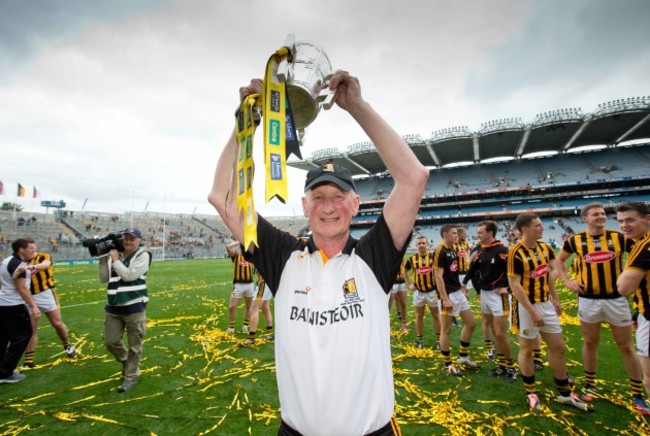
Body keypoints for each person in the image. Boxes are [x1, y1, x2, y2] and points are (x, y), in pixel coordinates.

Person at [208, 71, 428, 435]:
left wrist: (356, 106)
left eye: (338, 196)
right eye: (319, 198)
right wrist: (244, 125)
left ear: (355, 204)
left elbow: (413, 177)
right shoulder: (284, 257)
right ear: (305, 206)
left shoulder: (374, 256)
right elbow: (223, 198)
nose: (328, 206)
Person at [556, 202, 649, 414]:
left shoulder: (620, 237)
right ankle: (590, 385)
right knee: (590, 342)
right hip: (588, 300)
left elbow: (641, 253)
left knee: (626, 346)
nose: (601, 217)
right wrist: (568, 282)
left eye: (602, 214)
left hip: (617, 299)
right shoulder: (575, 240)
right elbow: (559, 261)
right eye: (595, 214)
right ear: (584, 219)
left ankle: (637, 394)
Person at [507, 213, 592, 412]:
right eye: (537, 225)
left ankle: (564, 394)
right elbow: (515, 285)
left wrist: (555, 299)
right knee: (527, 349)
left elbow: (548, 276)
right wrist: (532, 312)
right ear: (525, 229)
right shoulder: (515, 252)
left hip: (545, 303)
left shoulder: (545, 248)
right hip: (526, 306)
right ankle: (531, 392)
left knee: (558, 347)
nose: (541, 228)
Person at [99, 228, 151, 393]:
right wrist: (103, 260)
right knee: (110, 341)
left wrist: (115, 260)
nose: (128, 242)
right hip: (113, 306)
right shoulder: (117, 255)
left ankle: (130, 377)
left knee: (135, 345)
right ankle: (127, 363)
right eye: (126, 239)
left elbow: (129, 275)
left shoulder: (143, 255)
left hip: (134, 306)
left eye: (132, 239)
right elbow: (104, 278)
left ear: (139, 241)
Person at [463, 220, 516, 382]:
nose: (478, 235)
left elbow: (515, 272)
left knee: (500, 332)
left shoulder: (503, 250)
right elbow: (473, 269)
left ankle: (511, 367)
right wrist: (464, 283)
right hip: (485, 294)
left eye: (480, 232)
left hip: (498, 296)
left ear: (490, 233)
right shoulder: (481, 251)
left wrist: (507, 289)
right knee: (494, 331)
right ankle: (501, 365)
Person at [433, 224, 479, 376]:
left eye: (456, 233)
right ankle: (447, 363)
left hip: (457, 291)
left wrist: (462, 287)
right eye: (453, 233)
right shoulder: (440, 251)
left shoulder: (452, 249)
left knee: (471, 323)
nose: (456, 236)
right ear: (445, 234)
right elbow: (438, 277)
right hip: (447, 295)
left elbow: (451, 273)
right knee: (445, 329)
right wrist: (445, 299)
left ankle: (462, 356)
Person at [615, 202, 650, 402]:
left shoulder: (644, 246)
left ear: (647, 219)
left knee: (649, 379)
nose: (624, 225)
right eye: (620, 221)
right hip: (644, 312)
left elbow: (623, 288)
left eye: (630, 220)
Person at [22, 249, 76, 368]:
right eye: (29, 249)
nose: (32, 251)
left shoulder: (43, 257)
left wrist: (31, 266)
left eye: (33, 248)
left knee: (57, 323)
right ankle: (28, 361)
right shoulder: (20, 260)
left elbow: (46, 264)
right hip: (29, 296)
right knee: (32, 329)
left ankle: (67, 345)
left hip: (46, 293)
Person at [0, 238, 40, 384]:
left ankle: (2, 369)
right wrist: (34, 306)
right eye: (31, 249)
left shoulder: (8, 260)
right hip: (14, 305)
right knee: (23, 335)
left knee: (3, 337)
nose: (34, 251)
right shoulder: (19, 265)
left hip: (3, 303)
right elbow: (21, 288)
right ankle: (6, 372)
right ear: (21, 249)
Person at [404, 235, 441, 349]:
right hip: (419, 292)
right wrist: (409, 284)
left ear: (427, 245)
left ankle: (439, 340)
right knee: (419, 316)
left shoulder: (434, 257)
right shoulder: (412, 259)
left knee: (436, 316)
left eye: (423, 243)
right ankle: (420, 339)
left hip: (432, 292)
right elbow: (404, 270)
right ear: (416, 246)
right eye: (419, 243)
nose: (421, 245)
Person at [226, 241, 254, 334]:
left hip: (250, 285)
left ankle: (245, 326)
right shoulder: (235, 256)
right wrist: (239, 241)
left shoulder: (251, 256)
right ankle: (231, 327)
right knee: (232, 307)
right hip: (238, 285)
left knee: (249, 307)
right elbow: (228, 246)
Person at [241, 274, 274, 345]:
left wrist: (261, 279)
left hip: (264, 283)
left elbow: (265, 266)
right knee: (265, 307)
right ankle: (270, 333)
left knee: (254, 309)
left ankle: (251, 338)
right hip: (270, 282)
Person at [389, 262, 408, 332]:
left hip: (402, 281)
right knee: (388, 305)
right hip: (392, 282)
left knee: (403, 304)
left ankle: (404, 324)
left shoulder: (401, 252)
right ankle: (386, 324)